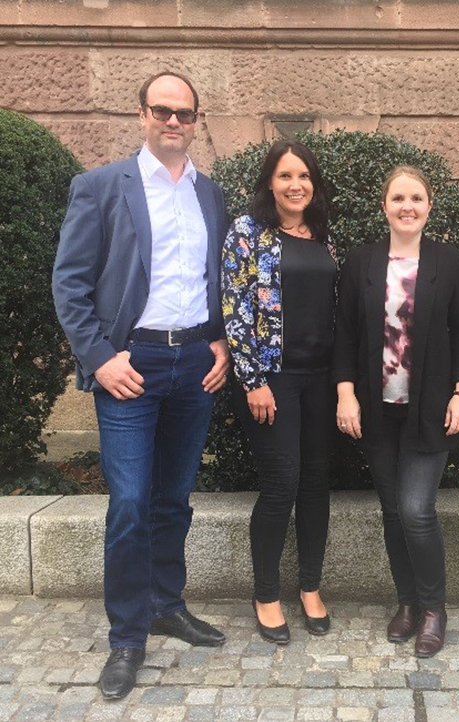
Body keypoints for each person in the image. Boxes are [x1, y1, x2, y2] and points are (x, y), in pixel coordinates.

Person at [53, 71, 229, 700]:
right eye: (162, 110)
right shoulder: (101, 187)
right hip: (129, 366)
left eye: (184, 112)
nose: (173, 121)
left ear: (196, 119)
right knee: (128, 502)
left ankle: (166, 603)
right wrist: (99, 359)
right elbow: (69, 283)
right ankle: (127, 636)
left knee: (174, 497)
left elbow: (216, 279)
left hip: (193, 367)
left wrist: (221, 339)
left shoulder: (211, 194)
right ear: (142, 115)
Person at [332, 166, 459, 658]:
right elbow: (346, 335)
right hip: (376, 409)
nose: (407, 206)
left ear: (429, 205)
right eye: (398, 198)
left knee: (416, 509)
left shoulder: (449, 261)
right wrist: (345, 394)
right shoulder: (361, 262)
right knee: (393, 511)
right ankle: (408, 603)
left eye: (416, 198)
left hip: (430, 410)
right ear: (384, 205)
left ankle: (435, 608)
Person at [222, 140, 336, 645]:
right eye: (286, 176)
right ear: (270, 181)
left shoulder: (323, 236)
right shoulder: (248, 233)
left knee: (315, 484)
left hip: (321, 380)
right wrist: (252, 379)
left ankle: (310, 586)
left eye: (304, 176)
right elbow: (235, 308)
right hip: (272, 380)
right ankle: (266, 593)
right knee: (281, 484)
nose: (296, 185)